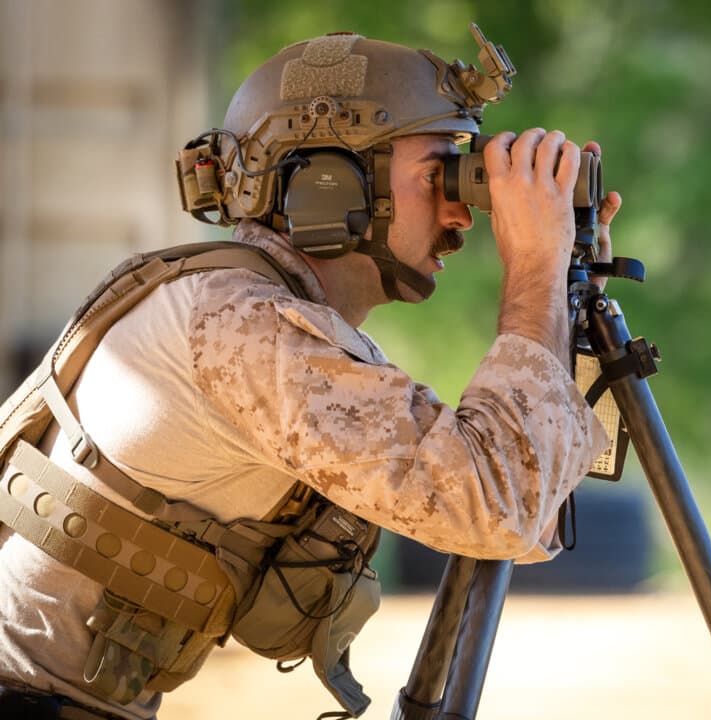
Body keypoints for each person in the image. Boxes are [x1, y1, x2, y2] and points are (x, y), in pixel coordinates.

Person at [0, 25, 621, 720]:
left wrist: (565, 273)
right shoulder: (239, 329)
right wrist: (535, 265)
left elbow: (526, 496)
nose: (461, 211)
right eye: (440, 173)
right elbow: (494, 507)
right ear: (329, 184)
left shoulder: (250, 316)